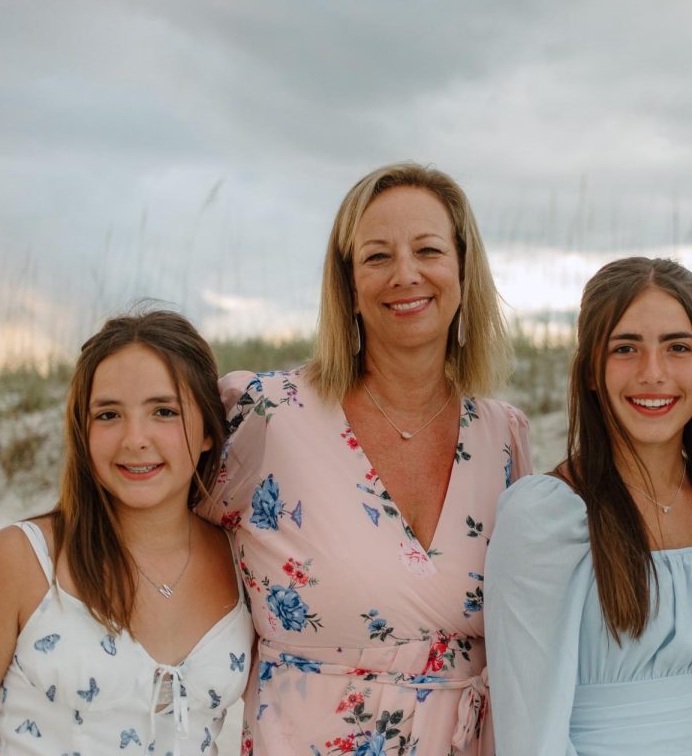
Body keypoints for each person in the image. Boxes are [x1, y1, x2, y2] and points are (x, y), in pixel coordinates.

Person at [198, 162, 532, 754]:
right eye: (377, 257)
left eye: (428, 250)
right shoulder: (267, 416)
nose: (406, 274)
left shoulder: (502, 437)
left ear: (462, 271)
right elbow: (146, 533)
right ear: (348, 285)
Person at [0, 311, 254, 755]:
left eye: (164, 411)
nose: (135, 438)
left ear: (209, 430)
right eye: (109, 414)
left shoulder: (244, 559)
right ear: (83, 429)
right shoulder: (20, 561)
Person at [485, 257, 692, 756]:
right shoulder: (546, 516)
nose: (653, 373)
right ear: (593, 372)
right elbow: (530, 734)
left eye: (678, 347)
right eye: (625, 348)